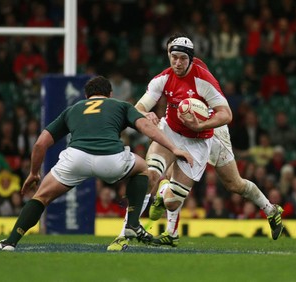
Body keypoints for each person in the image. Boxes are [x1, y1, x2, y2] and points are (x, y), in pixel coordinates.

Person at [108, 34, 284, 250]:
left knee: (232, 184)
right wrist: (146, 114)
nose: (177, 62)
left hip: (207, 134)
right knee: (150, 174)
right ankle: (124, 234)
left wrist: (200, 125)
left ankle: (271, 210)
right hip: (171, 132)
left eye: (182, 58)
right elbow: (138, 107)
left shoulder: (203, 80)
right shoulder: (162, 78)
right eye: (173, 57)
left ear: (190, 58)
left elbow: (226, 114)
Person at [0, 76, 193, 251]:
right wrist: (174, 148)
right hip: (111, 159)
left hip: (75, 158)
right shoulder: (120, 105)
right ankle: (132, 224)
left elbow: (40, 144)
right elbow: (146, 128)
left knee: (41, 197)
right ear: (110, 93)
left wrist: (34, 173)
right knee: (142, 168)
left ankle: (10, 242)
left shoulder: (73, 109)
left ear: (87, 96)